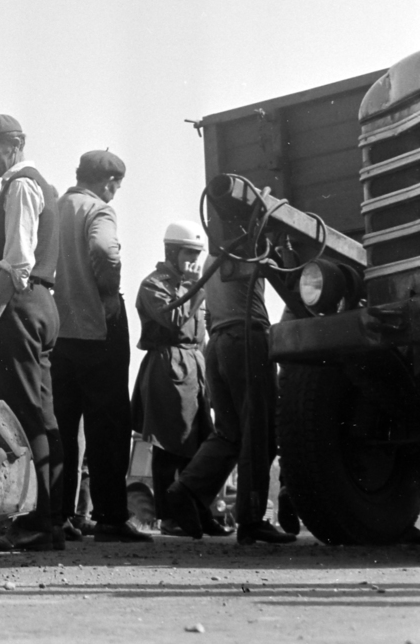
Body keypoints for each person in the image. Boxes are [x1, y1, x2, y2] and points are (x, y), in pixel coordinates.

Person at [0, 113, 61, 550]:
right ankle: (52, 519)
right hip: (43, 305)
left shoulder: (20, 185)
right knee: (42, 416)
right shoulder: (44, 185)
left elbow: (18, 263)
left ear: (15, 143)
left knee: (23, 418)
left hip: (20, 307)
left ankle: (39, 524)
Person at [163, 251, 295, 545]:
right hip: (247, 338)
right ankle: (251, 520)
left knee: (229, 433)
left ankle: (187, 489)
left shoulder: (213, 257)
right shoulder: (251, 247)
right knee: (258, 432)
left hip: (219, 343)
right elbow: (293, 278)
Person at [52, 150, 150, 542]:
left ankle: (59, 517)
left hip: (59, 333)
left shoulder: (56, 207)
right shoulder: (98, 210)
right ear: (109, 182)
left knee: (62, 427)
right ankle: (110, 518)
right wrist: (109, 294)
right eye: (116, 186)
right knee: (108, 426)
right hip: (97, 329)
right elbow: (105, 250)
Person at [132, 222, 223, 534]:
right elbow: (173, 321)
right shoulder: (154, 284)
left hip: (194, 364)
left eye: (198, 253)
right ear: (172, 251)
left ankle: (198, 513)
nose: (195, 259)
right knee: (170, 444)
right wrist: (199, 290)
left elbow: (203, 330)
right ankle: (170, 517)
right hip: (168, 365)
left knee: (198, 442)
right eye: (189, 252)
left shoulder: (191, 284)